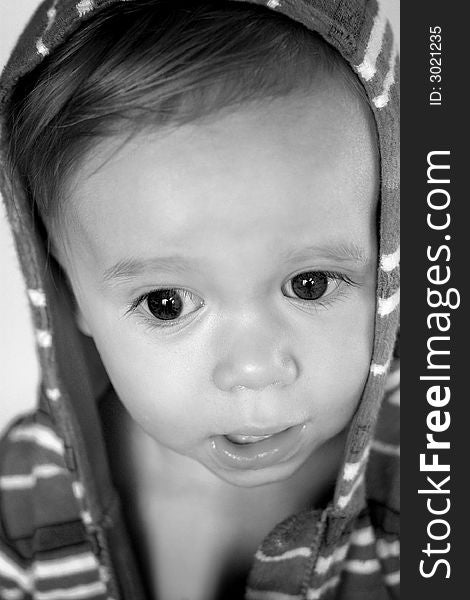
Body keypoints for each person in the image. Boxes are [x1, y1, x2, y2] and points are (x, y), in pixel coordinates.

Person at [0, 1, 399, 599]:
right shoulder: (25, 493)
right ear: (64, 288)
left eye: (310, 283)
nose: (255, 368)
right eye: (166, 303)